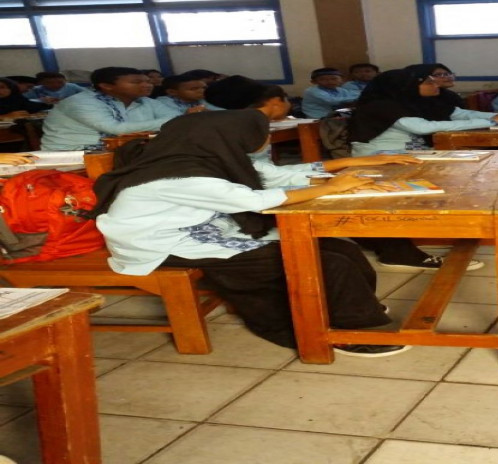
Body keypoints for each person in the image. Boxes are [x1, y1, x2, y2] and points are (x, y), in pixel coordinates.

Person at [91, 106, 422, 357]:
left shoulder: (205, 157)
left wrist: (349, 169)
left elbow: (278, 176)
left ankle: (349, 309)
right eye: (259, 133)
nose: (265, 138)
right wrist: (331, 187)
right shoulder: (181, 175)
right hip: (166, 246)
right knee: (322, 262)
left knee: (339, 247)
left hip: (204, 231)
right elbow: (255, 200)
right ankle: (352, 331)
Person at [205, 75, 486, 272]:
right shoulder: (241, 128)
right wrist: (329, 179)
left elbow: (265, 172)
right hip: (242, 200)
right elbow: (264, 176)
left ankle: (395, 248)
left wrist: (342, 167)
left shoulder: (233, 124)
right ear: (276, 101)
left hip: (257, 186)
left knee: (358, 186)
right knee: (359, 194)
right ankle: (397, 250)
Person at [349, 68, 498, 156]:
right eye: (429, 83)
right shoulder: (381, 105)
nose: (436, 85)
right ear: (406, 86)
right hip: (382, 155)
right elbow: (423, 128)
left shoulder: (414, 101)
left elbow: (458, 113)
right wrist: (492, 121)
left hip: (413, 151)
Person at [41, 67, 181, 151]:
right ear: (107, 86)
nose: (147, 85)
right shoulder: (82, 102)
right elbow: (116, 129)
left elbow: (180, 118)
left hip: (121, 150)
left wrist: (177, 120)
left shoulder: (145, 101)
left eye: (148, 82)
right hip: (72, 153)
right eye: (137, 82)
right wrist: (174, 121)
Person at [155, 74, 222, 115]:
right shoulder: (163, 103)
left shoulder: (204, 99)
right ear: (172, 92)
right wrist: (185, 115)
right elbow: (170, 118)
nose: (202, 91)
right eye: (194, 89)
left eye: (204, 88)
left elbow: (221, 112)